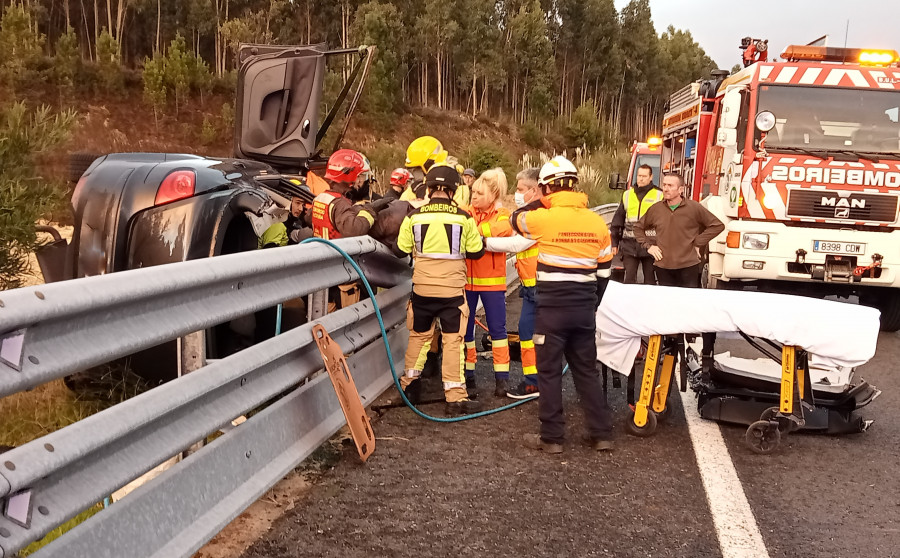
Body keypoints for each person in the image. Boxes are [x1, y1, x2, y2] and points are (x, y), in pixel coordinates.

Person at [512, 155, 615, 454]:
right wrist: (590, 305)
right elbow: (604, 274)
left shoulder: (543, 218)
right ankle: (601, 434)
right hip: (583, 309)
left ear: (546, 189)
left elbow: (515, 218)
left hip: (551, 310)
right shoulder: (597, 222)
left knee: (548, 372)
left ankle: (552, 438)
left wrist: (542, 202)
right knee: (587, 372)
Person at [394, 164, 485, 416]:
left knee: (419, 338)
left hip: (422, 290)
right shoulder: (464, 218)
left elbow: (399, 249)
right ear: (454, 190)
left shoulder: (413, 217)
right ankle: (454, 397)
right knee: (453, 341)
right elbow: (477, 251)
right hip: (452, 293)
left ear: (429, 188)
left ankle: (409, 386)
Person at [484, 167, 541, 399]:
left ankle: (536, 381)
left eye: (520, 189)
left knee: (535, 334)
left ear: (534, 190)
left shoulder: (539, 216)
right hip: (531, 287)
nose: (517, 194)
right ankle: (533, 382)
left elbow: (517, 244)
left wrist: (482, 242)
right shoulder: (526, 214)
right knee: (527, 333)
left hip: (542, 287)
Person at [463, 168, 514, 398]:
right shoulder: (465, 212)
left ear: (492, 196)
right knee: (465, 330)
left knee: (498, 331)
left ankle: (501, 379)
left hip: (492, 284)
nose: (473, 197)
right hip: (466, 282)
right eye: (473, 192)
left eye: (479, 193)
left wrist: (475, 231)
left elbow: (504, 229)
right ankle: (468, 373)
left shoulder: (502, 214)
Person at [633, 173, 724, 288]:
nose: (666, 189)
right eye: (664, 185)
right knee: (667, 303)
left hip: (688, 266)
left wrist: (698, 242)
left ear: (681, 189)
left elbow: (717, 226)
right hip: (663, 266)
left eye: (670, 186)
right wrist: (649, 246)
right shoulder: (656, 209)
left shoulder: (694, 207)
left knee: (687, 303)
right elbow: (637, 227)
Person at [610, 164, 663, 284]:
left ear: (651, 177)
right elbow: (618, 219)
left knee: (649, 280)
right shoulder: (628, 195)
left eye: (644, 176)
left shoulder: (659, 195)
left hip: (650, 245)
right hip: (629, 245)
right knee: (629, 279)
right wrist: (614, 242)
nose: (641, 179)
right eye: (639, 175)